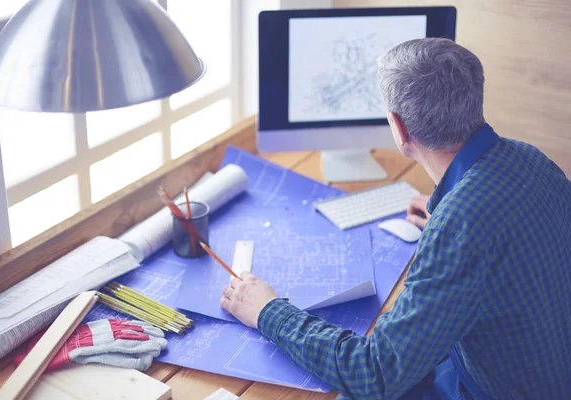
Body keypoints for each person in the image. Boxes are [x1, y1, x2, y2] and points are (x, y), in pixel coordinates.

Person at [220, 38, 571, 399]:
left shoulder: (460, 226)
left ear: (399, 129)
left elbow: (374, 374)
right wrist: (446, 215)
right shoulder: (532, 160)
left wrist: (267, 311)